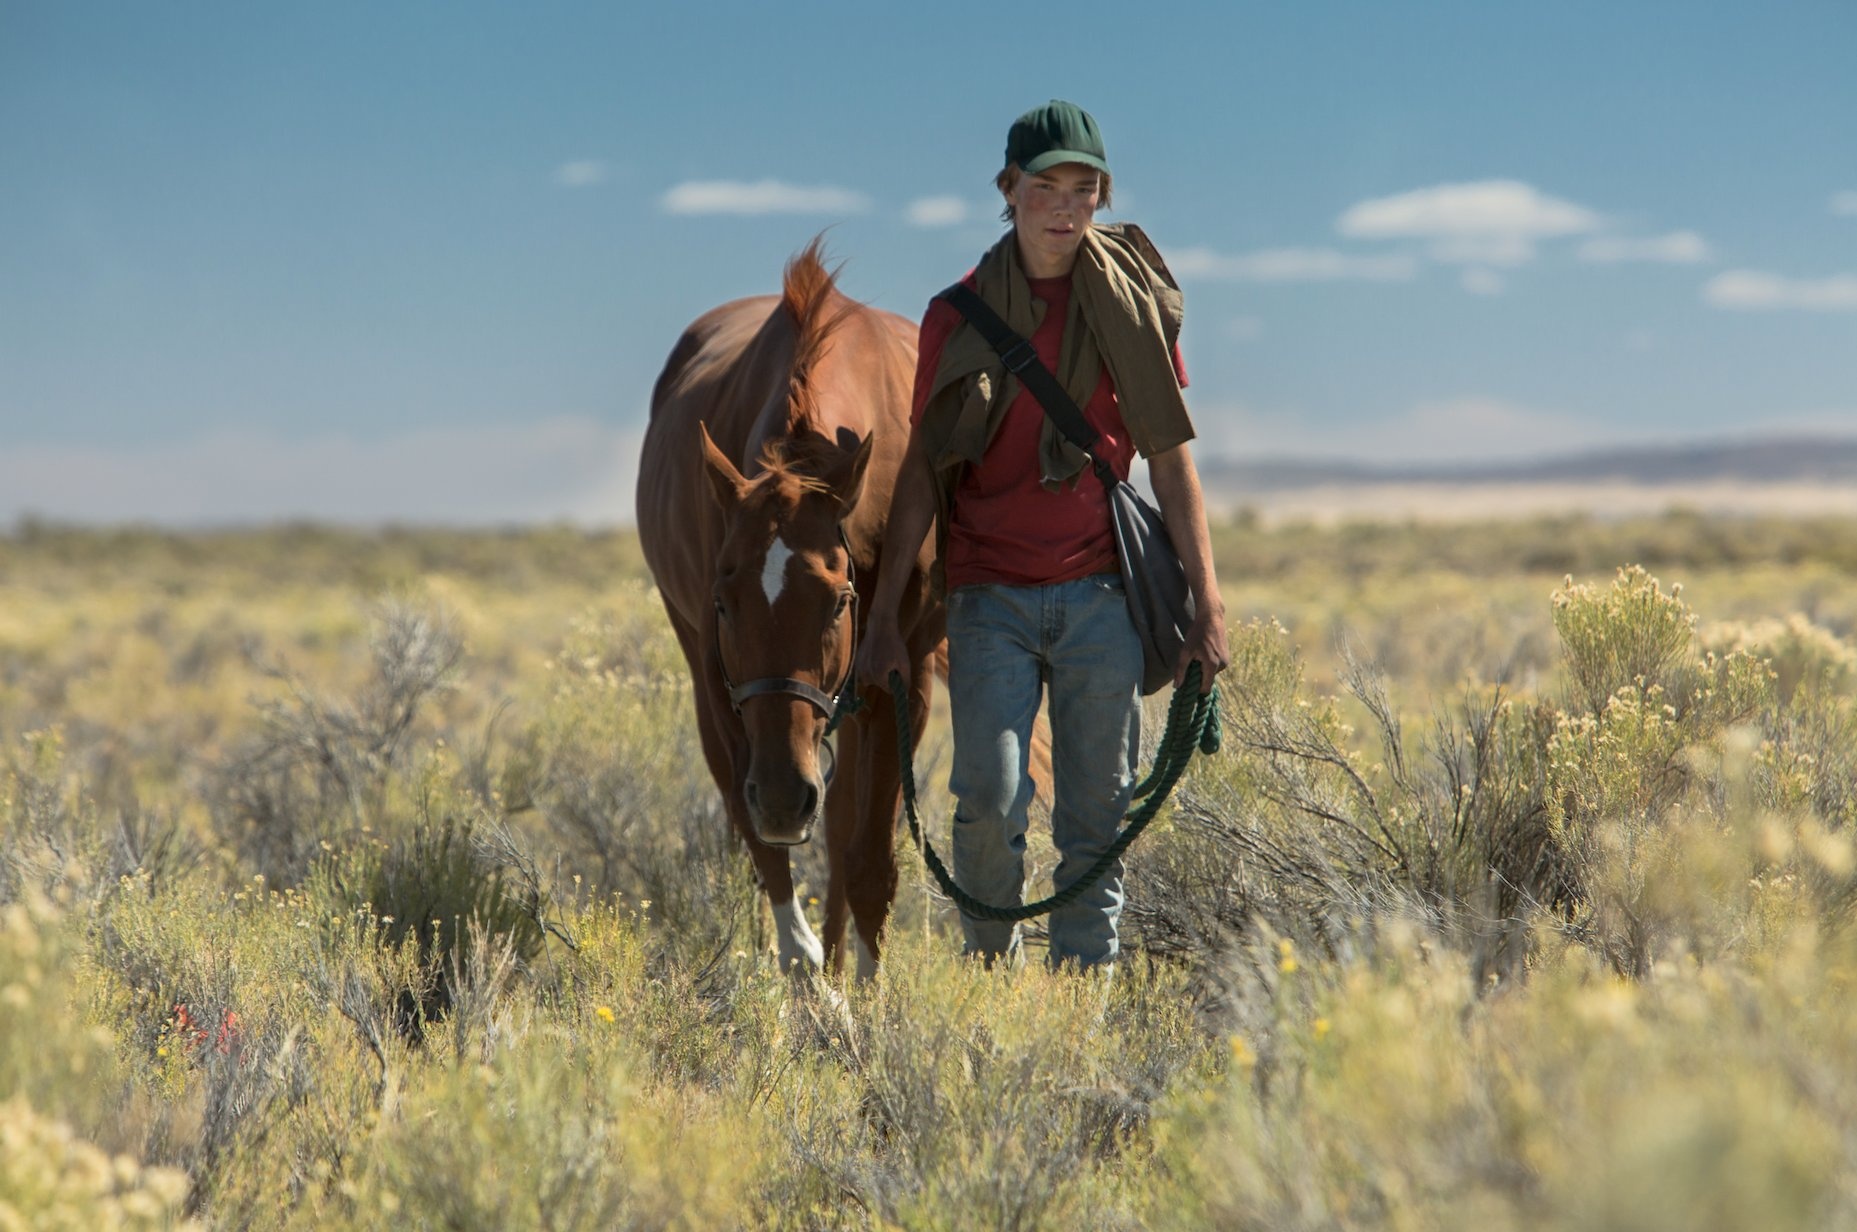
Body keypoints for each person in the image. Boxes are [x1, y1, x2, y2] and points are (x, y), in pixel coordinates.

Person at [856, 99, 1229, 971]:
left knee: (1095, 818)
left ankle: (1079, 1012)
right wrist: (880, 622)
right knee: (987, 798)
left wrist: (1207, 601)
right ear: (1007, 191)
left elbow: (1170, 461)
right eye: (1043, 187)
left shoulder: (1129, 307)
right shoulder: (957, 316)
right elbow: (921, 475)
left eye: (1083, 188)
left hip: (1103, 595)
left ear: (1100, 196)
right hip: (988, 598)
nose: (1064, 207)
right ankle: (991, 982)